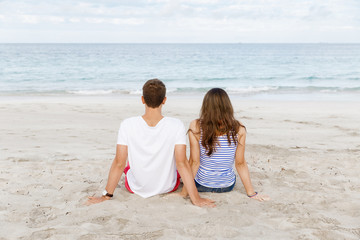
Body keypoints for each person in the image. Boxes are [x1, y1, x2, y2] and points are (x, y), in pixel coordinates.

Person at [86, 79, 215, 207]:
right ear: (164, 100)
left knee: (127, 167)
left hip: (135, 188)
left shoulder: (127, 124)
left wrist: (106, 196)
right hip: (168, 187)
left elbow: (119, 163)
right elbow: (182, 163)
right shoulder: (176, 125)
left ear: (142, 99)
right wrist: (196, 198)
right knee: (177, 165)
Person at [180, 88, 270, 201]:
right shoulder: (239, 128)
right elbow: (240, 163)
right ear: (228, 107)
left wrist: (184, 192)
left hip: (201, 185)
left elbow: (194, 162)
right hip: (227, 186)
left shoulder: (196, 126)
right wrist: (251, 193)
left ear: (206, 107)